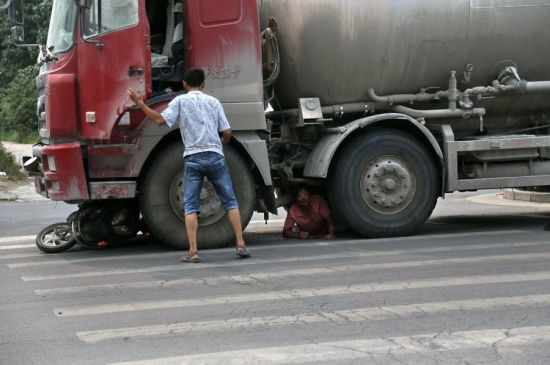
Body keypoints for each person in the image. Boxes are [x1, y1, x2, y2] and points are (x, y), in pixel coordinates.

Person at [127, 68, 250, 263]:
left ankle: (193, 251)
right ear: (203, 85)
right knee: (230, 201)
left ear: (184, 83)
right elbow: (227, 132)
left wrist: (141, 104)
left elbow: (159, 120)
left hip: (193, 157)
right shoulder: (213, 102)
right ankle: (241, 244)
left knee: (191, 206)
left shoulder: (179, 101)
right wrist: (222, 142)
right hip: (215, 155)